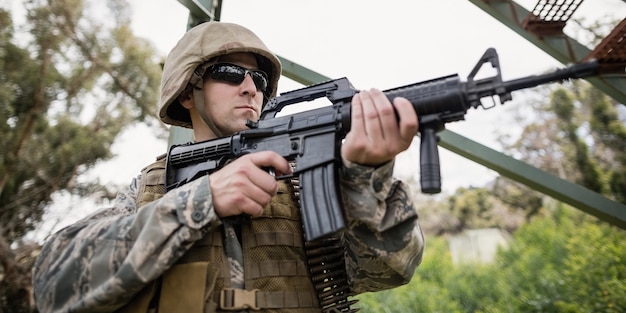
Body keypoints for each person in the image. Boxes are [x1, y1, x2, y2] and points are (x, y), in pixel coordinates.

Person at [33, 22, 424, 313]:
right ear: (187, 91)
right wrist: (203, 200)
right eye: (231, 73)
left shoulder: (302, 185)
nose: (251, 87)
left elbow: (389, 271)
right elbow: (52, 285)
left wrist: (364, 177)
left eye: (258, 78)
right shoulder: (151, 189)